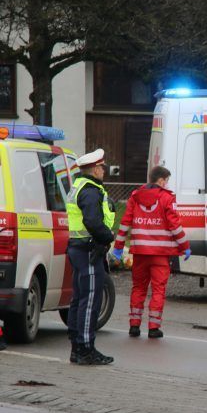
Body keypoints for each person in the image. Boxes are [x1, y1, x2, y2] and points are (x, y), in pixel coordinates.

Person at [112, 166, 191, 339]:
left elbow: (125, 222)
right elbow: (174, 225)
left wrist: (118, 246)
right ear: (161, 180)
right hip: (161, 254)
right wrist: (184, 246)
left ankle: (134, 325)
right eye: (166, 181)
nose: (167, 184)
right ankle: (153, 328)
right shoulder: (167, 198)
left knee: (138, 287)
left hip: (140, 252)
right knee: (158, 289)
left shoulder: (135, 196)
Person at [65, 148, 115, 365]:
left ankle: (77, 346)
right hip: (89, 250)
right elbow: (93, 222)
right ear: (95, 169)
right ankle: (86, 348)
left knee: (79, 298)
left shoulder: (78, 186)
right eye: (102, 167)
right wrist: (108, 236)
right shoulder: (91, 190)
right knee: (91, 300)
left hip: (78, 248)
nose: (103, 170)